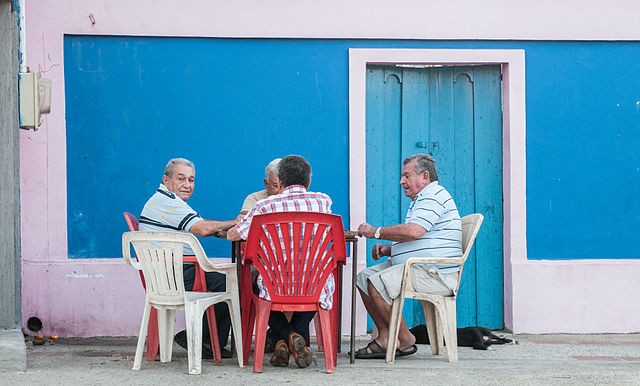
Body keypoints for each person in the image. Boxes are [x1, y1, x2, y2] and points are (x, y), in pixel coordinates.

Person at [227, 155, 332, 369]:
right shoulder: (323, 201)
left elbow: (234, 235)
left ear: (280, 182)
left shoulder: (265, 206)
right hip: (315, 283)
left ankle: (284, 338)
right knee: (319, 283)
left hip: (276, 284)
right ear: (308, 181)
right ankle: (294, 338)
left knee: (259, 283)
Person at [354, 153, 462, 359]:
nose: (402, 181)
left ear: (425, 176)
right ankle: (386, 336)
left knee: (377, 283)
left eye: (406, 175)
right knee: (363, 278)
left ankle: (405, 339)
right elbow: (421, 239)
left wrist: (376, 231)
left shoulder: (433, 195)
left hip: (435, 273)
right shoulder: (423, 199)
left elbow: (414, 232)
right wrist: (389, 250)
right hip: (420, 267)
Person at [139, 158, 238, 359]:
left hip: (166, 273)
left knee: (225, 280)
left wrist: (222, 229)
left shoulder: (167, 201)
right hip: (175, 274)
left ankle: (206, 340)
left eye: (191, 180)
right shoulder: (168, 203)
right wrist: (237, 222)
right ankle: (205, 341)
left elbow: (200, 225)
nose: (187, 185)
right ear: (166, 180)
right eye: (181, 178)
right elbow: (201, 228)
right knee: (233, 283)